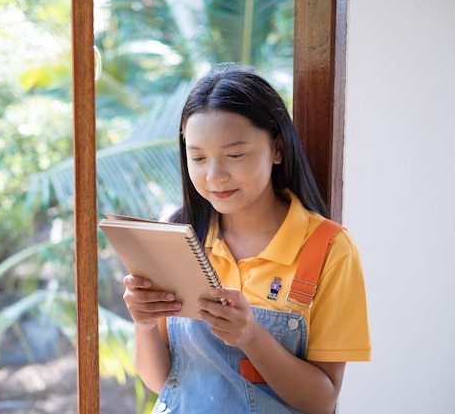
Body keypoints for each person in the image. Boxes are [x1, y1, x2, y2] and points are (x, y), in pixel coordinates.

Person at [122, 65, 371, 414]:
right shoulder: (177, 234)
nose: (215, 175)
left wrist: (252, 337)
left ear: (277, 149)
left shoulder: (330, 250)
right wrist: (145, 323)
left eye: (234, 155)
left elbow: (321, 401)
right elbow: (163, 380)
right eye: (198, 157)